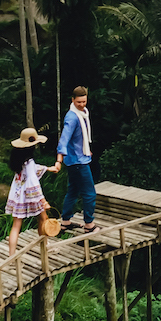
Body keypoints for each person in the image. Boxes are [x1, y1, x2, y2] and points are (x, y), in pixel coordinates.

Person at [5, 127, 60, 255]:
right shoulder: (29, 162)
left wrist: (48, 169)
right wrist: (43, 200)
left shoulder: (18, 159)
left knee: (16, 226)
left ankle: (11, 255)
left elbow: (32, 170)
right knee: (43, 218)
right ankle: (45, 246)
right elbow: (33, 182)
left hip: (18, 195)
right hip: (30, 195)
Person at [56, 85, 97, 232]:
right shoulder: (72, 117)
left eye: (84, 101)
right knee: (89, 193)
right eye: (79, 102)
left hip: (78, 158)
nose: (81, 105)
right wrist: (59, 160)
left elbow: (79, 139)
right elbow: (64, 139)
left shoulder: (82, 113)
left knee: (73, 191)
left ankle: (65, 222)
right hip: (78, 162)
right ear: (73, 100)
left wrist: (86, 151)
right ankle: (89, 225)